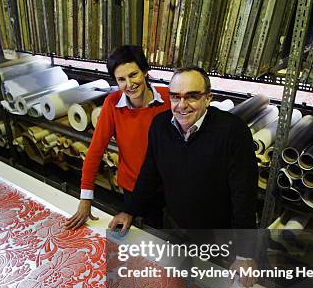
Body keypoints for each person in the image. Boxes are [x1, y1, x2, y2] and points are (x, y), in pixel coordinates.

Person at [108, 66, 258, 234]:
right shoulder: (160, 125)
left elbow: (244, 195)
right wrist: (130, 210)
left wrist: (244, 253)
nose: (182, 105)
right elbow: (150, 172)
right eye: (175, 97)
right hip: (174, 225)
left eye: (192, 96)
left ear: (208, 98)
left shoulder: (233, 131)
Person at [66, 45, 170, 230]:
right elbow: (95, 151)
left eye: (133, 75)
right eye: (121, 79)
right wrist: (85, 198)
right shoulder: (112, 104)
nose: (129, 84)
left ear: (145, 71)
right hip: (133, 187)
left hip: (168, 186)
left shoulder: (168, 99)